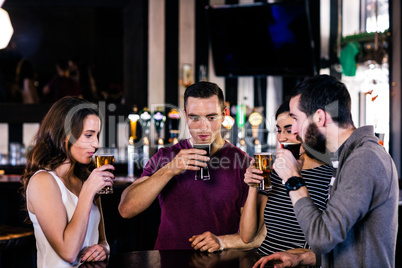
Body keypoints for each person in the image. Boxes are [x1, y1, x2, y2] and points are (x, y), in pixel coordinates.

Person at [254, 74, 398, 267]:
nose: (294, 130)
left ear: (320, 117)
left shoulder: (364, 159)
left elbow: (321, 239)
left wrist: (292, 178)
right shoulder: (348, 156)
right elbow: (344, 239)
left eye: (296, 119)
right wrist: (302, 258)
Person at [119, 81, 265, 252]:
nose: (203, 127)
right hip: (169, 262)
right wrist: (169, 170)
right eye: (195, 118)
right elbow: (126, 209)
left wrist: (222, 241)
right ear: (186, 115)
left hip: (221, 264)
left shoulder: (243, 163)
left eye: (211, 117)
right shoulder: (166, 157)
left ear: (224, 115)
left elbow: (255, 235)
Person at [20, 97, 113, 267]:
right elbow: (68, 253)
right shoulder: (43, 181)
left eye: (97, 135)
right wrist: (87, 191)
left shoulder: (86, 178)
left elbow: (102, 240)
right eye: (88, 135)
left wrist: (103, 249)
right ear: (65, 135)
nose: (97, 143)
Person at [240, 101, 332, 255]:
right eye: (278, 130)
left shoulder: (329, 175)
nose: (281, 138)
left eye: (289, 130)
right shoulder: (274, 171)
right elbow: (247, 236)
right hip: (264, 260)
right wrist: (252, 186)